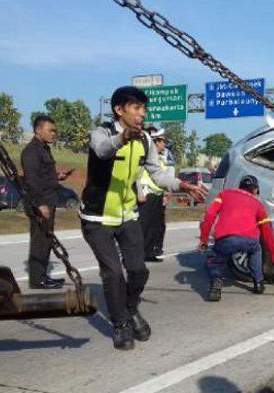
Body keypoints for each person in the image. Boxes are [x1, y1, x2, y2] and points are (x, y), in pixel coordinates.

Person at [80, 86, 206, 350]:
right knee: (113, 273)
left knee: (138, 269)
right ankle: (120, 324)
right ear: (119, 110)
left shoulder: (146, 141)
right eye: (136, 108)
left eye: (144, 109)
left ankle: (130, 307)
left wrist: (182, 186)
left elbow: (157, 175)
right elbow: (102, 150)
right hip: (97, 218)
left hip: (127, 215)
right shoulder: (101, 133)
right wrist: (122, 138)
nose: (142, 114)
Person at [198, 175, 274, 301]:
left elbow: (210, 214)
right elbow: (268, 232)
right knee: (256, 251)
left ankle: (216, 281)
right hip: (250, 241)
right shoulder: (258, 204)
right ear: (255, 190)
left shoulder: (224, 194)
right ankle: (258, 283)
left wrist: (204, 240)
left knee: (214, 261)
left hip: (226, 239)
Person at [20, 115, 71, 289]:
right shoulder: (31, 151)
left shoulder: (43, 149)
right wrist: (40, 204)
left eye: (55, 130)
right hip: (40, 203)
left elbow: (43, 176)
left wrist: (57, 177)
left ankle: (42, 276)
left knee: (46, 240)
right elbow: (32, 181)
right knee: (40, 241)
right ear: (38, 130)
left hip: (49, 199)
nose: (54, 133)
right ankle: (37, 280)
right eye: (51, 130)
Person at [137, 126, 174, 262]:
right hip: (146, 193)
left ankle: (150, 252)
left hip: (158, 194)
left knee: (156, 226)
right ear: (155, 142)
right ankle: (137, 254)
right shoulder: (145, 154)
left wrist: (167, 192)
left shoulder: (163, 156)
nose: (163, 144)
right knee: (143, 225)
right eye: (161, 141)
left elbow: (166, 174)